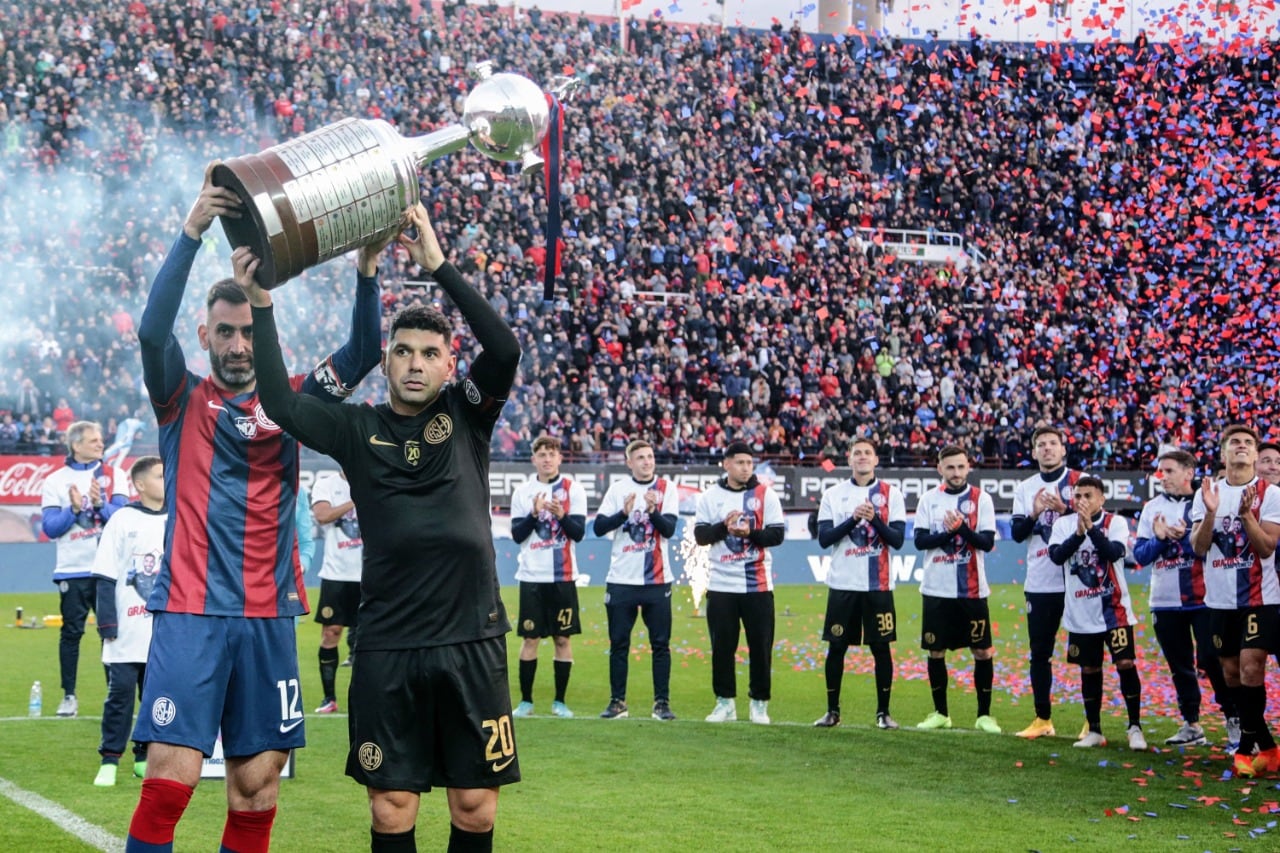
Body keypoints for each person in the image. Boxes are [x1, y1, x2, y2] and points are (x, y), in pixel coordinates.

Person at [124, 167, 384, 853]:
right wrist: (191, 232)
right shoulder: (180, 398)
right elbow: (152, 332)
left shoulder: (293, 398)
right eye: (225, 333)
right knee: (169, 781)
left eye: (246, 331)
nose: (238, 345)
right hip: (191, 609)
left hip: (269, 614)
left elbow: (363, 353)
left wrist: (366, 271)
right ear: (207, 336)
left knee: (258, 787)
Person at [249, 202, 522, 853]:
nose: (416, 362)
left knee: (477, 806)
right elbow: (283, 403)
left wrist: (438, 264)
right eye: (403, 351)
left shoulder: (467, 415)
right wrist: (264, 300)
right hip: (389, 645)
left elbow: (505, 347)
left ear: (449, 364)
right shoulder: (357, 428)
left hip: (472, 639)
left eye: (431, 352)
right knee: (392, 808)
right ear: (388, 360)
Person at [1191, 424, 1280, 778]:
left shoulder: (1270, 494)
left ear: (1255, 455)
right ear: (1224, 453)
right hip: (1220, 600)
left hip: (1259, 598)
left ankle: (1245, 749)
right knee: (1230, 674)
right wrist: (1212, 512)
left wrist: (1245, 516)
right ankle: (1269, 747)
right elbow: (1199, 548)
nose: (1241, 447)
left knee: (1250, 668)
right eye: (1235, 443)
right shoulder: (1207, 493)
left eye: (1247, 443)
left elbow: (1266, 547)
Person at [1135, 449, 1236, 747]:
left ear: (1188, 473)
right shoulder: (1151, 507)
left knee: (1211, 659)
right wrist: (1160, 538)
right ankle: (1191, 724)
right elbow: (1140, 555)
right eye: (1160, 471)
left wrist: (1186, 540)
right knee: (1179, 665)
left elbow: (1213, 549)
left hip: (1205, 598)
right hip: (1164, 601)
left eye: (1168, 471)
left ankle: (1233, 719)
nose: (1162, 477)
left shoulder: (1208, 502)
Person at [812, 437, 907, 730]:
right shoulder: (834, 494)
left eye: (867, 453)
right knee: (836, 647)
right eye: (857, 453)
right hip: (843, 585)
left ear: (876, 460)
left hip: (878, 587)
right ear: (849, 459)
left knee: (881, 648)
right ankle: (832, 711)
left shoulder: (892, 494)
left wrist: (875, 520)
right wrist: (854, 520)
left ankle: (883, 713)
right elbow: (824, 538)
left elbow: (898, 541)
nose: (863, 457)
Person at [1048, 476, 1146, 750]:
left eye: (1088, 496)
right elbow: (1056, 556)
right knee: (1089, 669)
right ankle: (1094, 730)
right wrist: (1079, 533)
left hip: (1115, 610)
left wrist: (1090, 530)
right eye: (1078, 496)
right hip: (1080, 612)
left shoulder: (1116, 522)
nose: (1082, 501)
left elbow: (1114, 552)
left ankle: (1135, 728)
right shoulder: (1063, 524)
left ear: (1101, 499)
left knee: (1125, 664)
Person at [40, 420, 130, 718]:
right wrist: (74, 510)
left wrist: (100, 505)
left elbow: (124, 518)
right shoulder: (54, 481)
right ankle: (69, 697)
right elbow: (51, 528)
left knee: (111, 635)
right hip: (72, 570)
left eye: (100, 439)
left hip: (108, 569)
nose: (100, 444)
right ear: (76, 445)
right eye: (93, 440)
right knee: (71, 634)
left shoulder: (114, 474)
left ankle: (114, 699)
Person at [694, 439, 785, 724]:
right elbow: (700, 536)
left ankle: (759, 704)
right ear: (726, 464)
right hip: (721, 585)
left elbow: (777, 535)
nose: (746, 468)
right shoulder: (710, 497)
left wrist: (749, 534)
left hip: (757, 585)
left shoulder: (765, 495)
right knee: (722, 648)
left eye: (749, 463)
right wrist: (724, 527)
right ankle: (725, 703)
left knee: (760, 646)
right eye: (740, 462)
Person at [913, 445, 1001, 734]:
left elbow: (987, 543)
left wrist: (961, 528)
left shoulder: (981, 499)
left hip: (972, 592)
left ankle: (984, 715)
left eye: (960, 467)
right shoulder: (929, 499)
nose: (956, 473)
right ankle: (941, 713)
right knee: (936, 651)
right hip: (936, 590)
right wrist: (950, 532)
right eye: (950, 467)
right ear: (940, 469)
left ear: (968, 467)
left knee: (982, 651)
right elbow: (920, 541)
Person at [593, 438, 681, 721]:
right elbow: (598, 527)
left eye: (650, 456)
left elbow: (668, 531)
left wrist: (653, 511)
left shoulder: (667, 489)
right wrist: (623, 513)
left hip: (657, 581)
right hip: (621, 580)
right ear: (629, 462)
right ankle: (617, 702)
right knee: (619, 643)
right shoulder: (618, 490)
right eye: (640, 457)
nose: (647, 461)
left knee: (660, 644)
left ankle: (662, 703)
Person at [91, 456, 166, 786]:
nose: (169, 480)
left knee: (155, 697)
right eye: (162, 476)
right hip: (126, 630)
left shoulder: (180, 518)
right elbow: (105, 575)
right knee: (120, 696)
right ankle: (109, 758)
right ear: (139, 484)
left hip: (166, 631)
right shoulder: (122, 519)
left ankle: (144, 754)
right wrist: (108, 624)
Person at [1010, 426, 1083, 739]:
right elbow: (1016, 535)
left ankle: (1091, 721)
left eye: (1053, 443)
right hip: (1040, 582)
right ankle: (1043, 719)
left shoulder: (1081, 481)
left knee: (1086, 654)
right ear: (1034, 451)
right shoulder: (1025, 488)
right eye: (1041, 444)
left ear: (1063, 449)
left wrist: (1064, 510)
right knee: (1040, 653)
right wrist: (1036, 513)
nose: (1047, 449)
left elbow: (1093, 521)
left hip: (1079, 581)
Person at [509, 435, 586, 719]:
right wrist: (533, 513)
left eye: (552, 453)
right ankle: (526, 702)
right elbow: (518, 535)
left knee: (562, 639)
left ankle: (560, 702)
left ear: (559, 458)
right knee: (530, 638)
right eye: (541, 454)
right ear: (534, 459)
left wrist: (562, 515)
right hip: (531, 577)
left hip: (563, 577)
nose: (547, 458)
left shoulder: (573, 489)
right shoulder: (523, 492)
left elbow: (578, 533)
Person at [311, 470, 363, 714]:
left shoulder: (372, 477)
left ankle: (371, 695)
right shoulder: (326, 484)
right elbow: (322, 515)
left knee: (373, 637)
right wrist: (356, 499)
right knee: (331, 633)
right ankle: (329, 698)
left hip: (370, 573)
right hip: (336, 574)